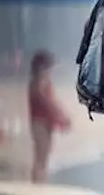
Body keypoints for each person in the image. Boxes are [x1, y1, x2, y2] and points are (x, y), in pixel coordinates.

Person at [28, 50, 71, 183]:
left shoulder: (42, 82)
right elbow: (47, 102)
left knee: (43, 155)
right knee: (41, 155)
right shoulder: (39, 83)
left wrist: (60, 114)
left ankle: (40, 182)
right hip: (40, 122)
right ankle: (38, 183)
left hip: (44, 122)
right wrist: (60, 115)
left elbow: (50, 102)